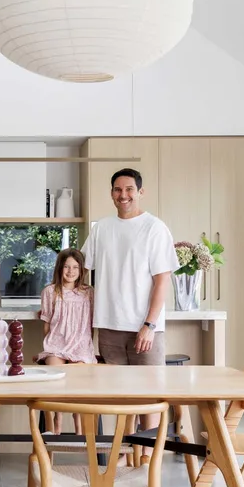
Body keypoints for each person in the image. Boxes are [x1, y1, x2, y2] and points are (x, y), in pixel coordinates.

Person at [81, 168, 178, 442]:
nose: (123, 195)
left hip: (144, 329)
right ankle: (125, 452)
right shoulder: (102, 228)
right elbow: (82, 269)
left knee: (148, 395)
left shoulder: (155, 228)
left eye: (129, 190)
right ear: (111, 193)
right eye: (117, 190)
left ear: (140, 192)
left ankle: (147, 455)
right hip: (110, 326)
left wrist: (149, 325)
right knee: (121, 398)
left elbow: (162, 281)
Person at [36, 248, 96, 434]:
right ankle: (57, 421)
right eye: (67, 267)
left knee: (78, 382)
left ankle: (79, 428)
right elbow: (46, 325)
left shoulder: (88, 293)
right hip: (56, 345)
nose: (71, 271)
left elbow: (91, 324)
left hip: (81, 346)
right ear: (60, 268)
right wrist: (48, 348)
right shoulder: (50, 291)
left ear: (81, 270)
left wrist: (86, 346)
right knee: (55, 374)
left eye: (75, 267)